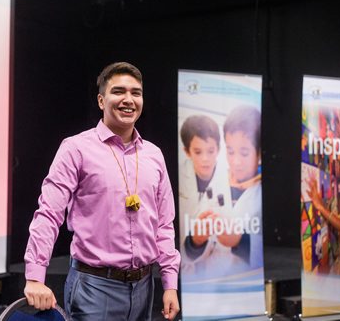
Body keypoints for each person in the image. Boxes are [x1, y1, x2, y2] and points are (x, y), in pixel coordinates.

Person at [23, 62, 181, 321]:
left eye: (136, 93)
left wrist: (170, 283)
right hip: (94, 288)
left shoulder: (154, 155)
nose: (128, 99)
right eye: (118, 91)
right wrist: (34, 276)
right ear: (100, 100)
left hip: (144, 287)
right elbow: (49, 214)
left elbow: (164, 224)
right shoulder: (76, 148)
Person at [184, 105, 263, 273]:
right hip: (209, 285)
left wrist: (240, 241)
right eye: (230, 151)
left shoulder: (262, 194)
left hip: (246, 285)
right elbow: (192, 254)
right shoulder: (217, 182)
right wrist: (195, 241)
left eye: (244, 153)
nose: (235, 162)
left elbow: (271, 253)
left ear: (260, 154)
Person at [178, 115, 231, 269]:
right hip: (185, 268)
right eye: (198, 152)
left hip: (219, 267)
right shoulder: (178, 175)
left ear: (219, 150)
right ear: (187, 151)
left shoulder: (230, 178)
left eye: (211, 151)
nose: (206, 159)